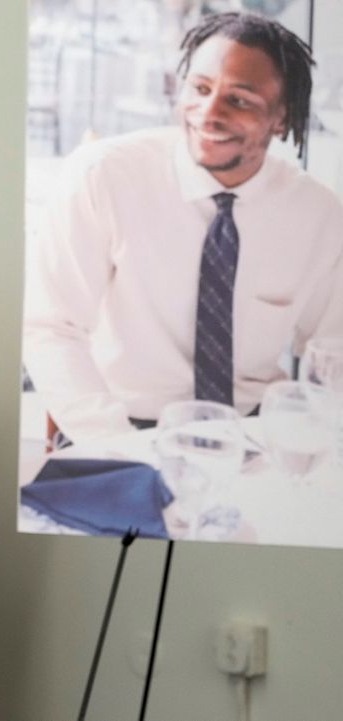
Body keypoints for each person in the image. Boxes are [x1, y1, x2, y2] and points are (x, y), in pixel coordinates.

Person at [24, 12, 343, 444]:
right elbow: (50, 327)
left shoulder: (318, 216)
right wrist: (120, 448)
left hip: (252, 436)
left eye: (240, 99)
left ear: (282, 119)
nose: (208, 114)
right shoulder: (103, 176)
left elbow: (333, 352)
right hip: (122, 428)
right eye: (200, 88)